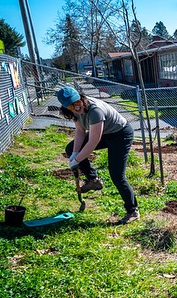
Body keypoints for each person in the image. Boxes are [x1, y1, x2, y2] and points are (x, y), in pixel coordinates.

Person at [57, 86, 139, 224]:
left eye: (77, 103)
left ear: (81, 98)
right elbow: (80, 132)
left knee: (117, 175)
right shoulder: (75, 111)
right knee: (70, 148)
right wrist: (75, 153)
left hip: (121, 134)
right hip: (106, 133)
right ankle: (93, 180)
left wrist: (77, 159)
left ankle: (133, 211)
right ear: (66, 108)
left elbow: (92, 142)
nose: (76, 108)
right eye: (71, 106)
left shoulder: (95, 111)